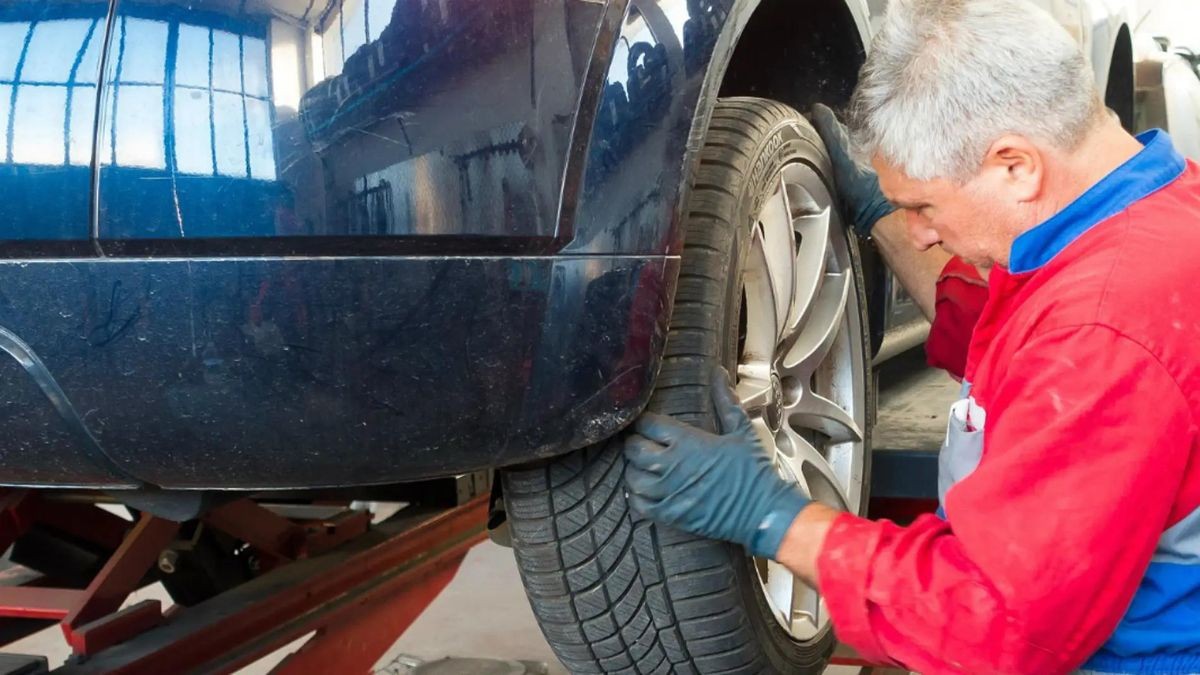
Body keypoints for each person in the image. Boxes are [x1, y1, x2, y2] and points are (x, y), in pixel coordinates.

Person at [621, 0, 1200, 672]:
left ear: (1015, 165)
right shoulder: (1158, 206)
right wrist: (882, 214)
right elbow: (1018, 337)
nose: (921, 233)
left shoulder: (1104, 331)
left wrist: (773, 516)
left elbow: (996, 625)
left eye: (923, 206)